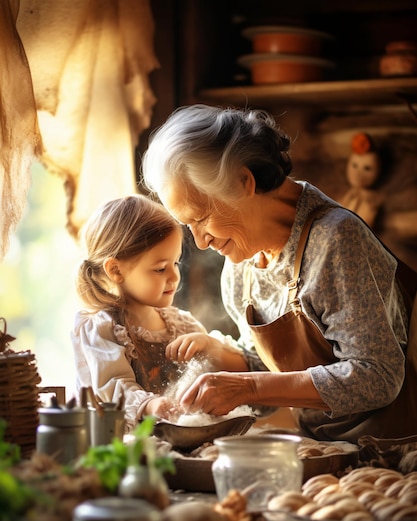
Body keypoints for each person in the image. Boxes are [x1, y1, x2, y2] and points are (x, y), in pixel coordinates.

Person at [141, 104, 417, 443]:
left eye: (200, 219)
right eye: (188, 227)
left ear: (243, 182)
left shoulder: (336, 239)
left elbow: (378, 377)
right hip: (327, 449)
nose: (199, 242)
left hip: (397, 452)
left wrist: (248, 387)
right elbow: (270, 378)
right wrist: (219, 355)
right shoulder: (240, 269)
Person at [71, 194, 243, 430]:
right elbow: (112, 387)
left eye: (176, 263)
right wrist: (151, 406)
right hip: (124, 448)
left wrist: (209, 347)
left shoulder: (184, 326)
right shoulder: (100, 329)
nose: (174, 276)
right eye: (161, 269)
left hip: (179, 447)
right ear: (115, 270)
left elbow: (221, 377)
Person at [338, 131, 384, 228]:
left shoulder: (371, 200)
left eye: (367, 169)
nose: (358, 174)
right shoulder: (348, 194)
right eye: (354, 166)